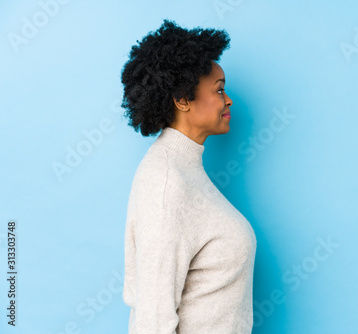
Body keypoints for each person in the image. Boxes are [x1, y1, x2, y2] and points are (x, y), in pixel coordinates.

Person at [120, 19, 257, 333]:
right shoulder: (166, 183)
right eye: (219, 90)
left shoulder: (186, 169)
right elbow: (152, 321)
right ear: (182, 99)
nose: (229, 99)